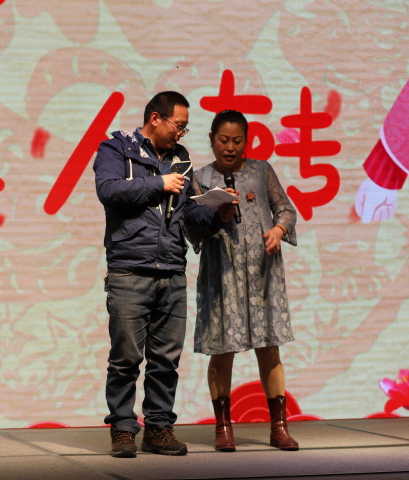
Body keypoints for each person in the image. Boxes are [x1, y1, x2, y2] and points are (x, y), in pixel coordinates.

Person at [93, 91, 220, 458]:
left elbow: (186, 214)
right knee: (125, 358)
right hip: (130, 269)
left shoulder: (181, 158)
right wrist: (158, 183)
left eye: (185, 128)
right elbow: (108, 190)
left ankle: (159, 428)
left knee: (166, 360)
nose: (181, 133)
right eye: (178, 125)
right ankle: (122, 429)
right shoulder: (117, 148)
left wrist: (216, 212)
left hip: (172, 269)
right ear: (155, 118)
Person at [187, 110, 299, 452]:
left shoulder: (262, 171)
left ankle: (279, 427)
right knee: (222, 349)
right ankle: (223, 428)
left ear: (246, 141)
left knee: (269, 347)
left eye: (237, 141)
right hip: (222, 274)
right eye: (223, 140)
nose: (230, 147)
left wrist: (278, 230)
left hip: (262, 273)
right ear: (211, 140)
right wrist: (213, 216)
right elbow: (192, 228)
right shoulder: (201, 177)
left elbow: (286, 210)